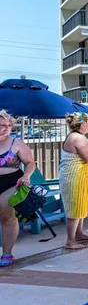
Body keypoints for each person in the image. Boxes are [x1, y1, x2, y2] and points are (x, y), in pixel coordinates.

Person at [0, 110, 36, 267]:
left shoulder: (16, 143)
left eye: (9, 125)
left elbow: (30, 162)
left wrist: (26, 176)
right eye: (2, 125)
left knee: (7, 216)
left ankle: (7, 254)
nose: (6, 128)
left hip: (11, 181)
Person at [59, 112, 88, 250]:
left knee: (80, 206)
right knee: (75, 208)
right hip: (75, 178)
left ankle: (79, 234)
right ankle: (70, 241)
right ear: (83, 124)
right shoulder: (80, 139)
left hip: (75, 177)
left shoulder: (73, 136)